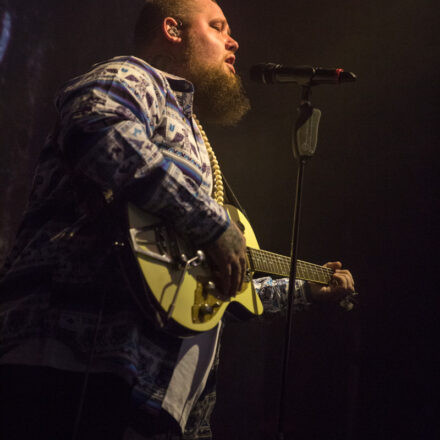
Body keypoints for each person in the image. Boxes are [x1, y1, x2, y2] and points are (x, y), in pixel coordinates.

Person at [0, 0, 355, 439]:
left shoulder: (193, 134)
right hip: (74, 357)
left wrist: (306, 287)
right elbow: (97, 127)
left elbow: (217, 282)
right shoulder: (132, 76)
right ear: (173, 29)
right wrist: (213, 225)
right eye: (218, 26)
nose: (234, 40)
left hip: (160, 392)